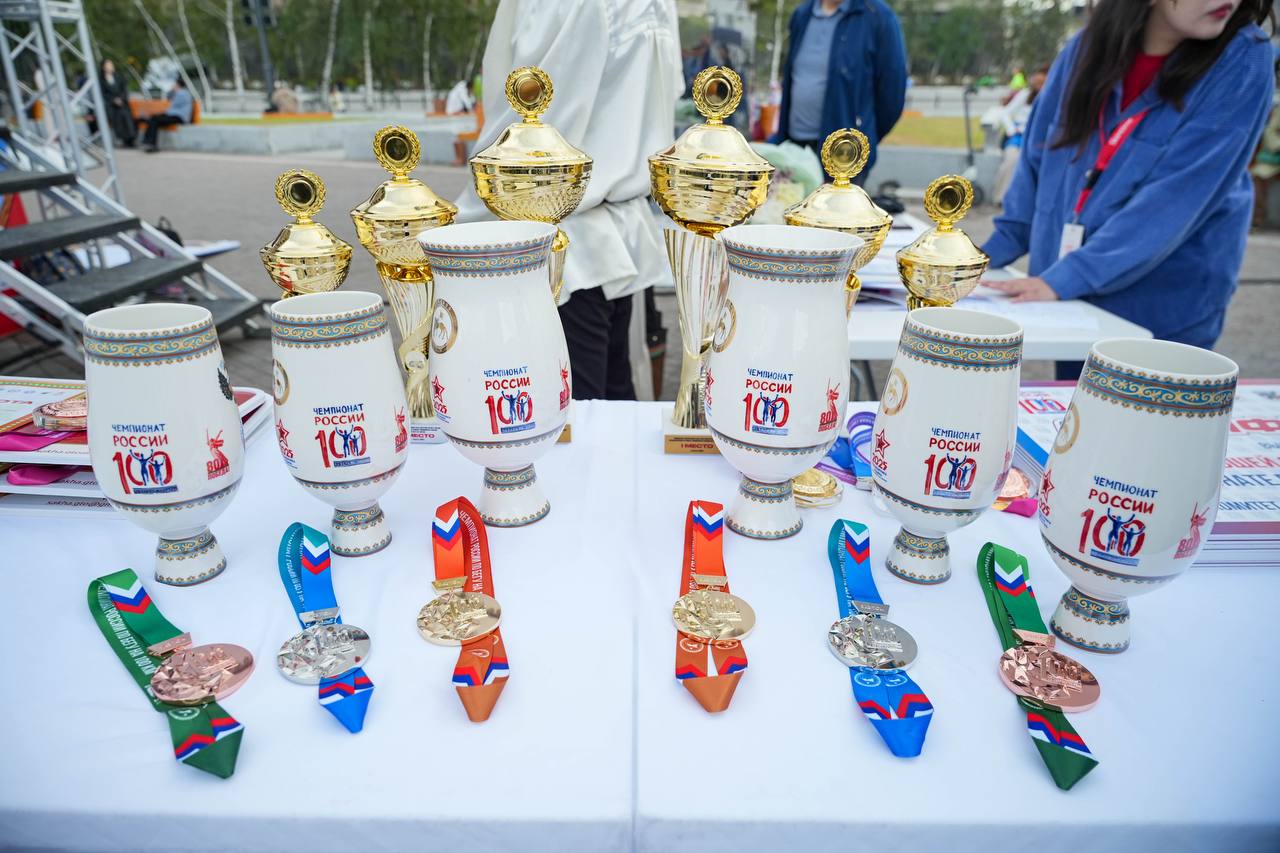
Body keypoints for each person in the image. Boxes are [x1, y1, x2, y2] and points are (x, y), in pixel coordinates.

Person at [982, 0, 1275, 373]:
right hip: (1069, 300)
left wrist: (1069, 277)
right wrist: (983, 258)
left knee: (1136, 410)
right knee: (1073, 410)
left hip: (1162, 310)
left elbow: (1175, 199)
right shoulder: (1086, 49)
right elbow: (1039, 159)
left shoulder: (1244, 59)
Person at [453, 0, 681, 401]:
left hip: (561, 244)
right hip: (607, 231)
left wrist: (465, 234)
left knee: (565, 417)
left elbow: (530, 123)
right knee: (607, 406)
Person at [768, 0, 908, 183]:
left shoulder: (878, 17)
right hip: (794, 151)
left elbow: (892, 97)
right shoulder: (802, 15)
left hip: (843, 157)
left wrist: (862, 136)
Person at [992, 65, 1048, 203]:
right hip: (1018, 137)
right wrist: (1011, 130)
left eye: (1043, 83)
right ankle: (1001, 197)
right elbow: (1005, 113)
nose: (1040, 87)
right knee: (1012, 160)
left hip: (1039, 140)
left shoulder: (1051, 99)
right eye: (1038, 83)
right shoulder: (1024, 96)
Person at [142, 79, 193, 153]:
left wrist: (161, 113)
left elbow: (171, 105)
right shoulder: (183, 93)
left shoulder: (181, 93)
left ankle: (150, 143)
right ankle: (150, 143)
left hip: (179, 117)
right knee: (154, 119)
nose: (173, 86)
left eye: (174, 85)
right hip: (176, 116)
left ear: (178, 85)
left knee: (154, 119)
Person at [98, 59, 136, 148]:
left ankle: (131, 138)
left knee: (126, 115)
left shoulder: (118, 77)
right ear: (103, 67)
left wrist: (121, 99)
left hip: (123, 104)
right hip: (111, 105)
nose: (111, 66)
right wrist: (113, 100)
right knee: (117, 116)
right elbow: (103, 93)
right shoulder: (101, 80)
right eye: (108, 65)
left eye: (111, 64)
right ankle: (124, 139)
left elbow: (124, 90)